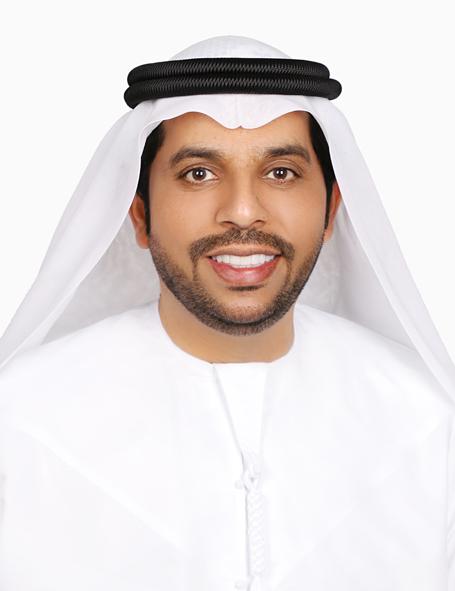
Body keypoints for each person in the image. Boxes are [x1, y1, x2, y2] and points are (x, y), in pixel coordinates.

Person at [0, 35, 454, 591]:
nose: (242, 211)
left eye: (281, 172)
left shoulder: (425, 420)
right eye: (199, 173)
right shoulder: (22, 421)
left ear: (332, 211)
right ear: (140, 215)